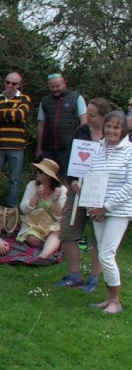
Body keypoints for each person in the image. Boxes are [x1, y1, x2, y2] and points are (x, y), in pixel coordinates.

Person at [54, 98, 111, 290]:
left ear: (103, 117)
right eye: (87, 113)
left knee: (99, 236)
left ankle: (94, 278)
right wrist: (72, 181)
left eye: (92, 115)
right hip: (78, 190)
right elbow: (70, 159)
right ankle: (73, 276)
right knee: (67, 231)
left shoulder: (113, 136)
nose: (86, 117)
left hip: (102, 193)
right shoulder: (81, 132)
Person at [84, 110, 132, 314]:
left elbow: (130, 185)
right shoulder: (98, 148)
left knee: (106, 253)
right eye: (109, 126)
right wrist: (91, 205)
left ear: (123, 130)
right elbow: (91, 177)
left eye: (116, 127)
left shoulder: (129, 151)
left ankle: (115, 301)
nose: (111, 130)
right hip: (97, 209)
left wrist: (107, 206)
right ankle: (108, 298)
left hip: (118, 210)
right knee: (103, 253)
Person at [0, 72, 31, 208]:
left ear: (19, 85)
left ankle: (10, 210)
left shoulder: (24, 99)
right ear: (4, 82)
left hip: (16, 146)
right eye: (8, 82)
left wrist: (1, 113)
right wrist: (9, 114)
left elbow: (19, 115)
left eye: (14, 83)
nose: (10, 85)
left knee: (15, 180)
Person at [36, 73, 87, 177]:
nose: (55, 89)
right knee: (46, 179)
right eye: (52, 87)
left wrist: (80, 146)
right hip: (48, 148)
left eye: (57, 86)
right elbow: (41, 125)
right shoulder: (44, 101)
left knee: (66, 180)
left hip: (68, 148)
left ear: (64, 84)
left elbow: (84, 121)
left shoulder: (76, 98)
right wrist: (39, 148)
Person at [17, 158, 67, 260]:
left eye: (40, 171)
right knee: (32, 239)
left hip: (53, 224)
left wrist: (56, 201)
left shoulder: (61, 189)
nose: (36, 173)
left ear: (48, 175)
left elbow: (61, 218)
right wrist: (36, 196)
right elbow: (23, 209)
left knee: (57, 233)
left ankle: (43, 255)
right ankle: (53, 246)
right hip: (34, 223)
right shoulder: (32, 185)